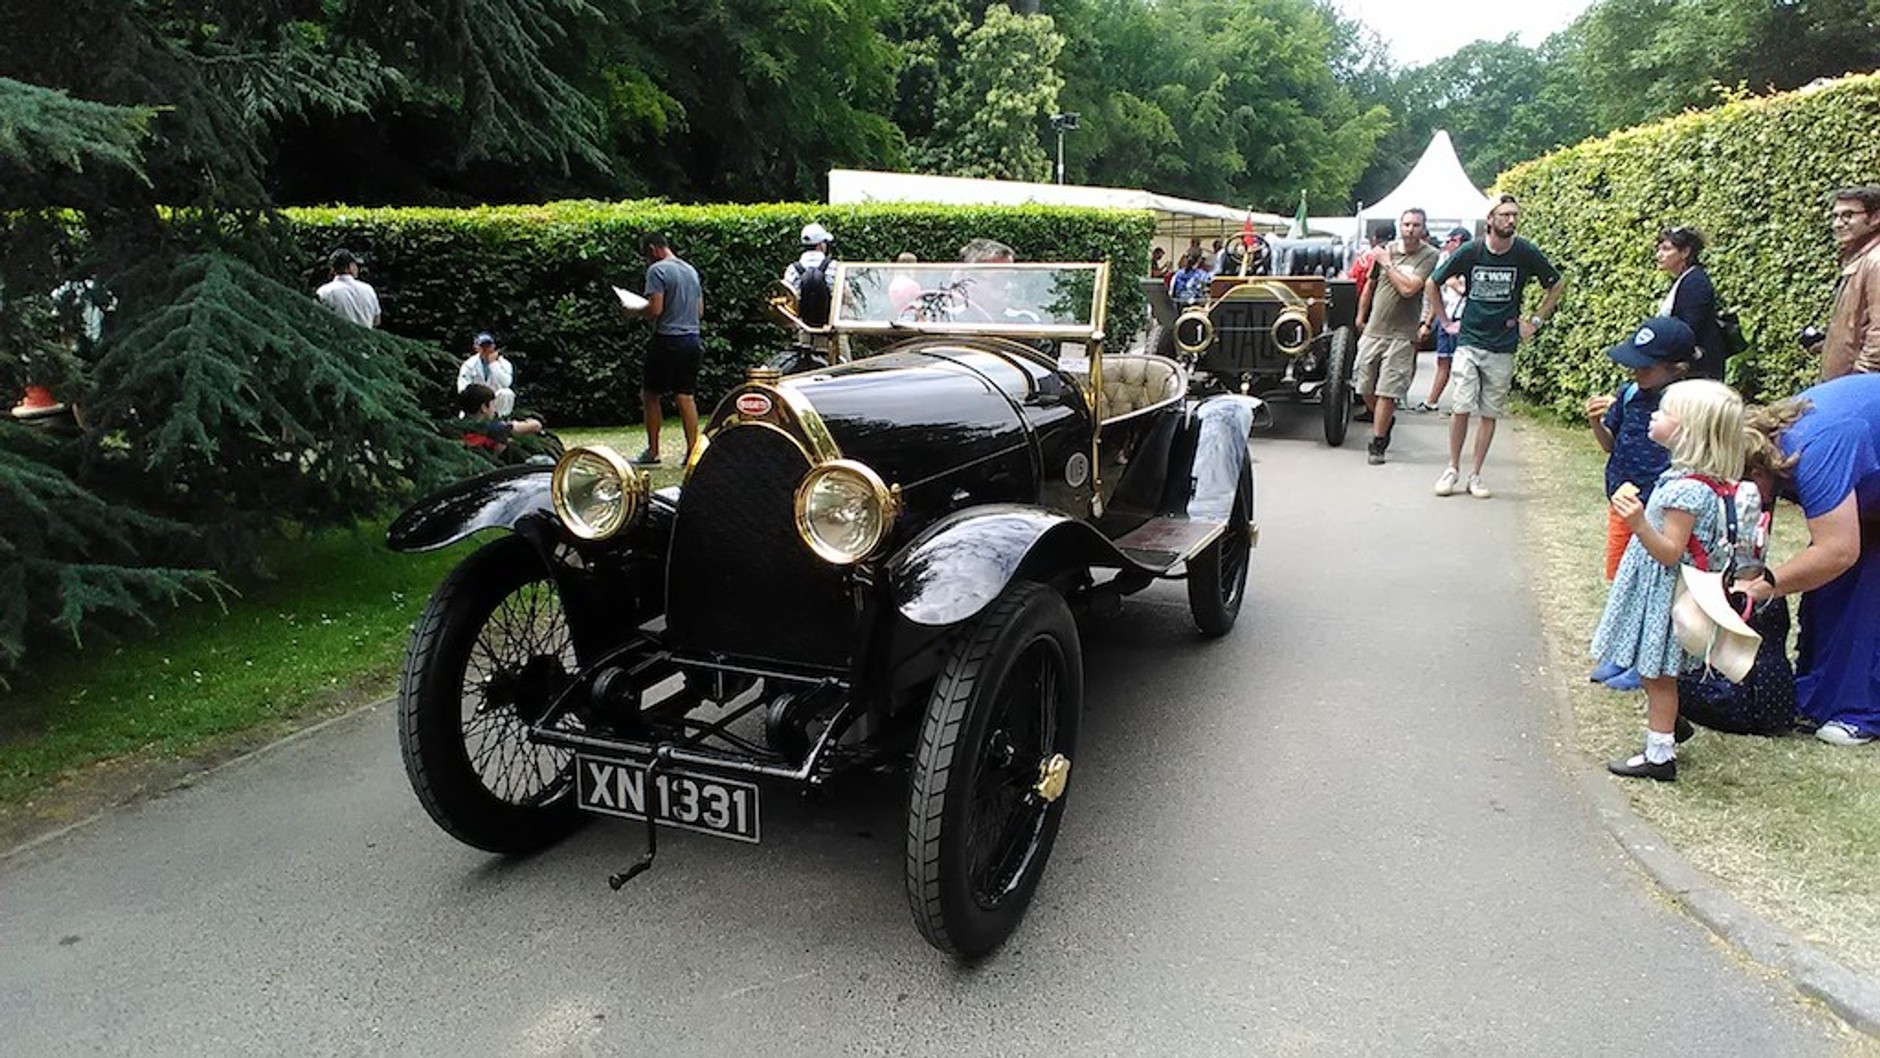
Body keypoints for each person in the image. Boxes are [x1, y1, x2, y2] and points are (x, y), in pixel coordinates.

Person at [1592, 379, 1757, 781]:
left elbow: (1669, 551)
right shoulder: (1698, 481)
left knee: (1657, 673)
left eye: (1665, 413)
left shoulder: (1685, 491)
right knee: (1659, 671)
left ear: (1689, 433)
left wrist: (1636, 523)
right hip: (1670, 588)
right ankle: (1671, 720)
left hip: (1665, 592)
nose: (1654, 415)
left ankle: (1660, 754)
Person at [1738, 374, 1880, 746]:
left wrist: (1764, 586)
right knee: (1828, 588)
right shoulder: (1770, 445)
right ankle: (1820, 698)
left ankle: (1861, 713)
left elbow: (1838, 551)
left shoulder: (1816, 448)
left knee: (1860, 583)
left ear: (1755, 472)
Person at [1426, 194, 1566, 499]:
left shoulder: (1525, 251)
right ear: (1490, 219)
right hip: (1470, 341)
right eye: (1504, 215)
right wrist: (1445, 322)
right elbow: (1432, 282)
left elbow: (1555, 283)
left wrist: (1536, 320)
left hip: (1503, 345)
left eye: (1515, 215)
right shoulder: (1472, 250)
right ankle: (1452, 468)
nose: (1511, 220)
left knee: (1489, 412)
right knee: (1461, 406)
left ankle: (1475, 474)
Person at [1583, 316, 1695, 689]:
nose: (1636, 372)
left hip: (1661, 511)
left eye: (1646, 366)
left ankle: (1644, 660)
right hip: (1624, 505)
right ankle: (1623, 650)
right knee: (1624, 580)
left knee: (1655, 587)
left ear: (1676, 368)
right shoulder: (1629, 395)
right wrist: (1598, 422)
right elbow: (1610, 446)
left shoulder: (1686, 405)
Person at [1353, 208, 1439, 464]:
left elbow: (1409, 288)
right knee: (1364, 386)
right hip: (1374, 329)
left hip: (1402, 334)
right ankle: (1385, 420)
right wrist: (1361, 316)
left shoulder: (1429, 255)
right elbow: (1371, 284)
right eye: (1406, 224)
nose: (1410, 229)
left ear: (1423, 228)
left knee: (1387, 391)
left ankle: (1377, 444)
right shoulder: (1387, 249)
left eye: (1416, 225)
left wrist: (1387, 263)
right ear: (1400, 226)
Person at [618, 232, 703, 467]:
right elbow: (699, 311)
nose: (648, 260)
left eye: (647, 255)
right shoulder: (691, 271)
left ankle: (653, 451)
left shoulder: (657, 271)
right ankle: (693, 452)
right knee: (685, 395)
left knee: (650, 394)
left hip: (667, 339)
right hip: (692, 339)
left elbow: (655, 309)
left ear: (654, 249)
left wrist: (633, 310)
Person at [1818, 185, 1880, 379]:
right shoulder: (1860, 257)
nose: (1838, 223)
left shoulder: (1876, 261)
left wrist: (1858, 379)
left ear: (1876, 218)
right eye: (1835, 216)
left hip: (1858, 385)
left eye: (1848, 215)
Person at [1655, 226, 1728, 381]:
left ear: (1685, 252)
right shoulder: (1686, 280)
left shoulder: (1695, 282)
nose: (1659, 255)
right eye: (1659, 249)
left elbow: (1689, 329)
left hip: (1697, 371)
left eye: (1666, 249)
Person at [1414, 227, 1471, 414]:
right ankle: (1432, 401)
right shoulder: (1446, 263)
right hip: (1446, 318)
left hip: (1464, 318)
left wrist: (1457, 286)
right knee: (1443, 361)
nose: (1447, 245)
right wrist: (1428, 323)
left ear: (1460, 241)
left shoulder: (1473, 263)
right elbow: (1435, 294)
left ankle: (1460, 405)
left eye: (1451, 241)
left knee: (1462, 365)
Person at [456, 382, 545, 460]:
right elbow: (535, 426)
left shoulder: (457, 427)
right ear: (484, 408)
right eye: (492, 404)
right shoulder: (493, 428)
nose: (494, 409)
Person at [316, 249, 380, 328]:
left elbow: (318, 321)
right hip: (366, 338)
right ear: (350, 267)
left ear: (332, 269)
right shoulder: (368, 289)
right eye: (356, 265)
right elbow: (377, 321)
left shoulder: (324, 291)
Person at [455, 332, 515, 417]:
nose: (486, 349)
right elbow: (463, 389)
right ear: (477, 348)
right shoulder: (469, 365)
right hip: (475, 402)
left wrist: (493, 364)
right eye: (483, 346)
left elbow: (506, 383)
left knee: (507, 393)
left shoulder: (504, 364)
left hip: (495, 402)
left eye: (488, 346)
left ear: (493, 346)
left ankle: (502, 420)